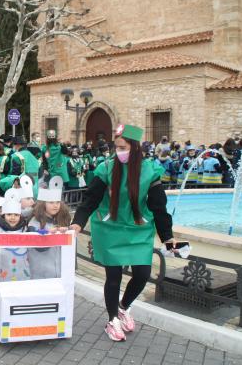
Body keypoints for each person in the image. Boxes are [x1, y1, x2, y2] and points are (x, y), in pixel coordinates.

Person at [69, 124, 176, 342]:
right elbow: (90, 200)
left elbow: (159, 207)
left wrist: (167, 237)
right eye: (117, 148)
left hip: (139, 229)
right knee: (114, 277)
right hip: (111, 229)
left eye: (123, 147)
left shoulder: (150, 170)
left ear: (136, 147)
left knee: (143, 273)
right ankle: (112, 320)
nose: (119, 152)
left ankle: (123, 307)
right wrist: (77, 224)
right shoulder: (105, 168)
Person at [28, 177, 71, 279]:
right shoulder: (34, 222)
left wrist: (67, 232)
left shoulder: (61, 220)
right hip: (40, 273)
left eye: (57, 202)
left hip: (59, 272)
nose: (55, 206)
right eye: (51, 203)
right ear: (43, 204)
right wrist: (47, 234)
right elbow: (37, 245)